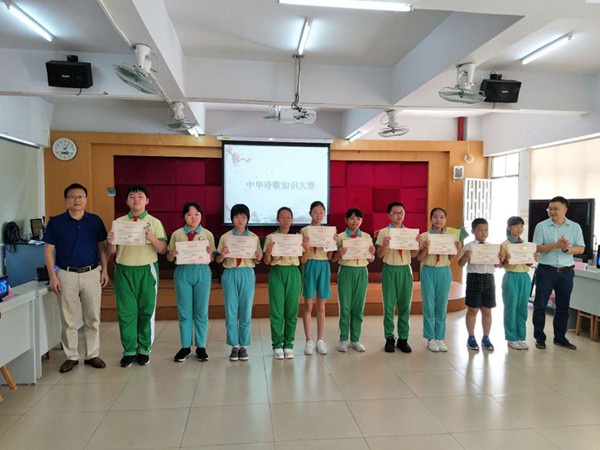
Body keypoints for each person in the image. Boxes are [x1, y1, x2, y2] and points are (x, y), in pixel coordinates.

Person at [43, 183, 108, 373]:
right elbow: (48, 251)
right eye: (72, 197)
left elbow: (102, 247)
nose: (77, 200)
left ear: (86, 199)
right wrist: (53, 276)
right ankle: (71, 356)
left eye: (80, 196)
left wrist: (105, 270)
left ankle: (92, 354)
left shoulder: (95, 221)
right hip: (66, 274)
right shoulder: (56, 222)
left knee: (93, 317)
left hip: (91, 273)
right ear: (66, 200)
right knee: (68, 319)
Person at [107, 184, 167, 367]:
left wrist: (152, 238)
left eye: (140, 196)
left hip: (146, 271)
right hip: (124, 271)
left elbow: (163, 249)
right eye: (132, 196)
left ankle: (144, 349)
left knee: (146, 311)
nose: (136, 200)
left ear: (147, 200)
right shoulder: (119, 223)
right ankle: (129, 350)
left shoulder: (154, 222)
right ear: (126, 201)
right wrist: (111, 242)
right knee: (126, 312)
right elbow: (112, 251)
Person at [532, 196, 585, 350]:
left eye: (556, 209)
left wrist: (566, 249)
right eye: (550, 209)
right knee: (540, 306)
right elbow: (537, 248)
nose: (552, 212)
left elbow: (581, 248)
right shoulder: (541, 226)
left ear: (565, 210)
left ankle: (560, 338)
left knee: (563, 307)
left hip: (566, 272)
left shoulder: (574, 227)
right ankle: (539, 338)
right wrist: (556, 245)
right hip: (546, 271)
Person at [166, 202, 215, 363]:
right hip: (183, 272)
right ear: (184, 216)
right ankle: (185, 346)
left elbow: (212, 258)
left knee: (201, 311)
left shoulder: (207, 234)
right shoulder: (177, 234)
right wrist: (172, 254)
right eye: (189, 214)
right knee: (184, 311)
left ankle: (201, 346)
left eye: (196, 214)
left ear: (201, 216)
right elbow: (169, 257)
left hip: (202, 271)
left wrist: (210, 253)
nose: (193, 218)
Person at [215, 204, 263, 361]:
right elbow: (218, 260)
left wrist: (258, 257)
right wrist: (223, 255)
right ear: (232, 219)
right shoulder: (225, 237)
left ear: (248, 219)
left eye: (243, 217)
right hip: (230, 273)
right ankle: (234, 345)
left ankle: (244, 345)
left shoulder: (254, 238)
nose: (240, 220)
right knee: (230, 309)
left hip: (247, 273)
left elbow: (257, 259)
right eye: (236, 217)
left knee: (246, 309)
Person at [263, 207, 308, 359]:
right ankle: (277, 345)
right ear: (277, 219)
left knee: (291, 310)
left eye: (288, 217)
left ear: (292, 219)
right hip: (277, 272)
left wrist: (307, 249)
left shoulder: (297, 238)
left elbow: (303, 260)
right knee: (276, 310)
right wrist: (268, 251)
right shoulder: (271, 237)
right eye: (282, 217)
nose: (285, 220)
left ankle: (289, 344)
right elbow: (267, 261)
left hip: (293, 272)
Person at [375, 202, 420, 354]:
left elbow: (413, 255)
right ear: (389, 215)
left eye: (401, 212)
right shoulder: (383, 232)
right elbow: (380, 255)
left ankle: (403, 338)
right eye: (395, 213)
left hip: (405, 269)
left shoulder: (410, 233)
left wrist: (416, 244)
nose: (399, 215)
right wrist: (384, 245)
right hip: (389, 269)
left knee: (405, 305)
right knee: (388, 306)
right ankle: (389, 337)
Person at [417, 207, 460, 353]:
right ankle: (430, 338)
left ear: (445, 220)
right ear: (431, 219)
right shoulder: (424, 236)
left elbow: (450, 258)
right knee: (429, 305)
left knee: (442, 305)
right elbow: (419, 258)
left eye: (442, 217)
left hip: (444, 271)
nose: (438, 220)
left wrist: (457, 249)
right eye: (435, 217)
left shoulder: (450, 237)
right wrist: (425, 248)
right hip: (428, 271)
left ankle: (439, 337)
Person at [332, 208, 375, 353]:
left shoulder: (367, 237)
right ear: (346, 220)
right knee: (345, 307)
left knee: (358, 307)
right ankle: (343, 339)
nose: (355, 221)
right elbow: (333, 259)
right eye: (351, 218)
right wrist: (338, 253)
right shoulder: (340, 237)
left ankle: (355, 339)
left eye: (358, 218)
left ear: (362, 220)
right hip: (346, 271)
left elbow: (370, 259)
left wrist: (372, 254)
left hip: (361, 271)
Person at [457, 218, 503, 352]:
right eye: (480, 230)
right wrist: (466, 256)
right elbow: (460, 264)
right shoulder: (468, 246)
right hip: (474, 278)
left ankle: (486, 337)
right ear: (473, 231)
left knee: (487, 310)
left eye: (486, 230)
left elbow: (497, 265)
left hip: (489, 278)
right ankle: (471, 337)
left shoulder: (492, 247)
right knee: (473, 309)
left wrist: (501, 259)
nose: (483, 233)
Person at [300, 201, 333, 356]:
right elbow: (302, 257)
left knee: (321, 305)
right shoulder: (304, 230)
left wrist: (332, 243)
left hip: (324, 265)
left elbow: (330, 256)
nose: (318, 215)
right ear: (310, 213)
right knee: (308, 304)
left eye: (321, 212)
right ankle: (308, 340)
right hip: (310, 264)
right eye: (315, 212)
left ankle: (320, 339)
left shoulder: (328, 231)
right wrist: (306, 245)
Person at [501, 216, 536, 350]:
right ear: (509, 228)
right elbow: (501, 264)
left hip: (524, 277)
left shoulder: (525, 245)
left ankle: (521, 336)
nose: (519, 229)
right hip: (511, 276)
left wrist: (533, 258)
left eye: (521, 226)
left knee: (522, 308)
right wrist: (506, 260)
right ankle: (511, 338)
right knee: (511, 307)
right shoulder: (504, 244)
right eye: (516, 226)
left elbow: (528, 263)